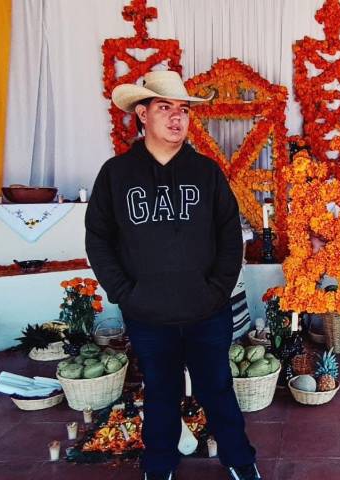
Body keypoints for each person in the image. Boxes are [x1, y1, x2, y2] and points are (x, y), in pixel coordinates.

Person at [85, 70, 260, 480]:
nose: (177, 117)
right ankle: (159, 465)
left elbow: (229, 236)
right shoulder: (116, 174)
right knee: (160, 392)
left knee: (218, 389)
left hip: (207, 311)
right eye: (165, 107)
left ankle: (240, 460)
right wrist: (126, 293)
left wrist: (216, 291)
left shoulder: (207, 172)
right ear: (142, 114)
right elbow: (99, 239)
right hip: (147, 314)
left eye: (183, 109)